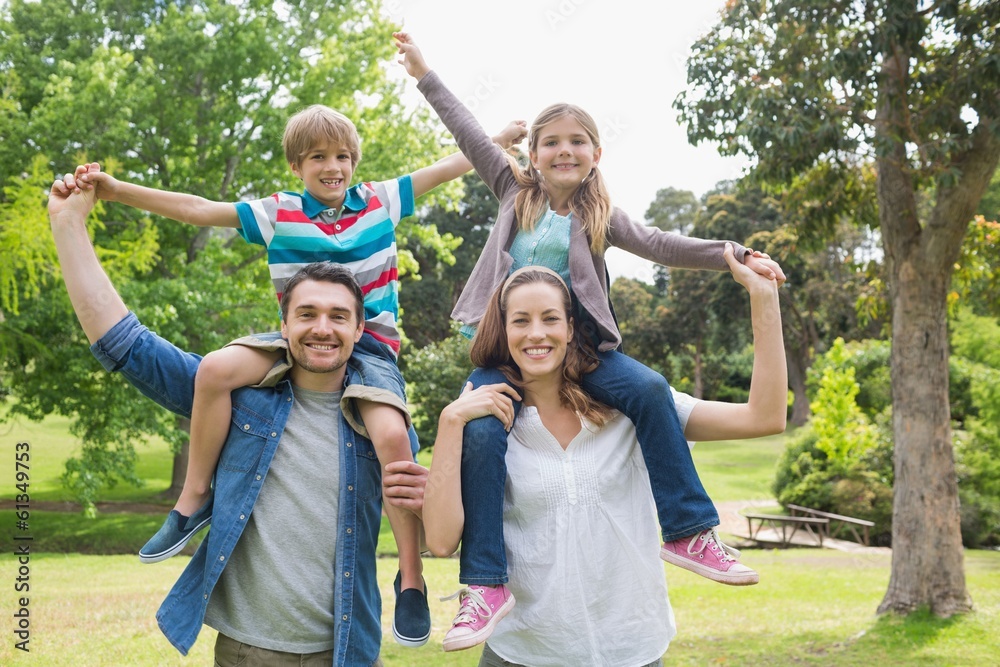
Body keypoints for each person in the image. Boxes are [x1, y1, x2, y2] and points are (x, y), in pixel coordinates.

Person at [71, 107, 525, 646]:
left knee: (390, 437)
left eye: (341, 157)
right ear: (296, 165)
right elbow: (197, 208)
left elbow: (447, 166)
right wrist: (117, 190)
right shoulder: (276, 214)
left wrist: (493, 141)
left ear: (354, 161)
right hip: (296, 344)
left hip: (372, 350)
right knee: (215, 368)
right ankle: (192, 499)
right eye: (318, 158)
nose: (332, 167)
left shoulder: (381, 201)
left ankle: (410, 576)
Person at [394, 32, 787, 646]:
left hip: (582, 351)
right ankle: (485, 584)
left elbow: (661, 244)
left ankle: (686, 532)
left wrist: (731, 253)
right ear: (533, 152)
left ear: (596, 153)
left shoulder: (601, 215)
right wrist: (425, 75)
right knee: (479, 430)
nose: (564, 150)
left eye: (577, 141)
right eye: (551, 141)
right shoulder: (511, 190)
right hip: (505, 352)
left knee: (652, 390)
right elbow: (468, 132)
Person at [48, 174, 428, 665]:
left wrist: (461, 425)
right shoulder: (239, 400)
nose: (321, 328)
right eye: (307, 313)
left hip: (343, 651)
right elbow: (126, 345)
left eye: (338, 316)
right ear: (283, 323)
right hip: (245, 652)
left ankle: (412, 583)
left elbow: (442, 520)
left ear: (360, 328)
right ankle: (192, 500)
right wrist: (68, 225)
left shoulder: (384, 426)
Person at [422, 255, 787, 662]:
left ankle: (691, 538)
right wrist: (450, 421)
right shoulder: (482, 424)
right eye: (521, 321)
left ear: (571, 326)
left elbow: (765, 417)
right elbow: (439, 541)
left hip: (631, 650)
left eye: (550, 319)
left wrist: (762, 296)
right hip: (524, 654)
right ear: (503, 330)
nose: (536, 333)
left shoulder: (636, 409)